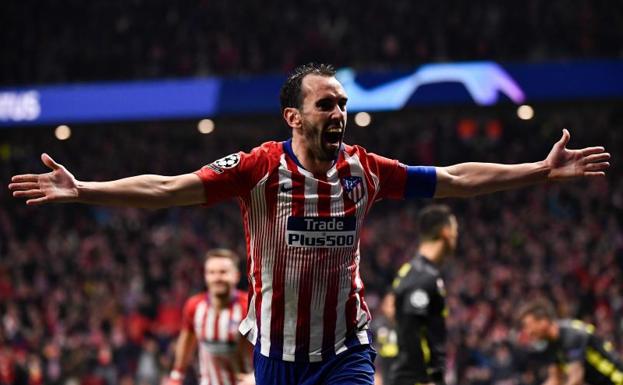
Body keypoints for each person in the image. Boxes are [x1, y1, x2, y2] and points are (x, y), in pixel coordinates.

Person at [9, 63, 610, 385]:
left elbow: (452, 177)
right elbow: (169, 189)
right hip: (274, 356)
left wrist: (537, 170)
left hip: (346, 348)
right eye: (328, 104)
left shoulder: (365, 170)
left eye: (344, 103)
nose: (341, 113)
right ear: (294, 115)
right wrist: (82, 189)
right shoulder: (260, 168)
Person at [162, 248, 254, 385]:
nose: (217, 278)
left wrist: (256, 377)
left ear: (236, 275)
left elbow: (267, 346)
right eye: (212, 273)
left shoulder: (249, 306)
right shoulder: (194, 306)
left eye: (223, 272)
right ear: (205, 276)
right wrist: (176, 375)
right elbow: (186, 341)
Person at [389, 204, 457, 385]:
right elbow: (410, 331)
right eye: (454, 231)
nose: (455, 237)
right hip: (416, 379)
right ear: (445, 232)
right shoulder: (422, 275)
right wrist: (425, 379)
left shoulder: (418, 271)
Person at [516, 299, 623, 385]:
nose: (527, 332)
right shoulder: (551, 343)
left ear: (543, 321)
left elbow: (576, 380)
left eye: (528, 326)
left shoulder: (572, 335)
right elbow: (555, 380)